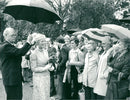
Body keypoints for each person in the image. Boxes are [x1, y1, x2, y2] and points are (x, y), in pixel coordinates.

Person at [0, 27, 33, 100]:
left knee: (18, 97)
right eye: (12, 35)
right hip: (11, 79)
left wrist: (30, 43)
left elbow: (20, 52)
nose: (14, 37)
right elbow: (20, 52)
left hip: (14, 78)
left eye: (15, 35)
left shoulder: (9, 45)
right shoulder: (5, 46)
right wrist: (28, 42)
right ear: (5, 35)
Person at [30, 35, 53, 100]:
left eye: (45, 41)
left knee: (46, 94)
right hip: (39, 78)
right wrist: (45, 68)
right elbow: (33, 68)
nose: (44, 43)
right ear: (37, 42)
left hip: (46, 76)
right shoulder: (34, 53)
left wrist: (50, 67)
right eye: (42, 41)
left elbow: (47, 62)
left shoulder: (45, 51)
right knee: (40, 95)